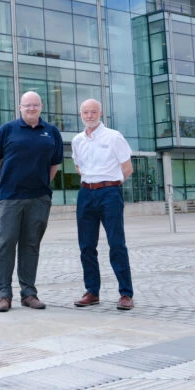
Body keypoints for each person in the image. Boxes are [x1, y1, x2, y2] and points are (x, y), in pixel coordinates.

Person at [0, 91, 64, 312]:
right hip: (10, 198)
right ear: (20, 107)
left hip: (39, 198)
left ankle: (28, 293)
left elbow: (54, 165)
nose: (31, 108)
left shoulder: (51, 132)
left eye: (35, 105)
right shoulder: (6, 130)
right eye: (27, 105)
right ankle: (4, 294)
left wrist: (40, 186)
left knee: (31, 246)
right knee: (6, 244)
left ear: (41, 107)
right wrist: (8, 182)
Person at [71, 98, 135, 310]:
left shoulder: (114, 137)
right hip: (86, 193)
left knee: (116, 244)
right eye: (85, 112)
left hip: (109, 193)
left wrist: (110, 184)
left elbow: (127, 168)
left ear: (100, 114)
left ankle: (126, 294)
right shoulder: (77, 140)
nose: (89, 116)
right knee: (86, 246)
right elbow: (79, 167)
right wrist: (92, 182)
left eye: (93, 112)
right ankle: (92, 292)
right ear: (81, 114)